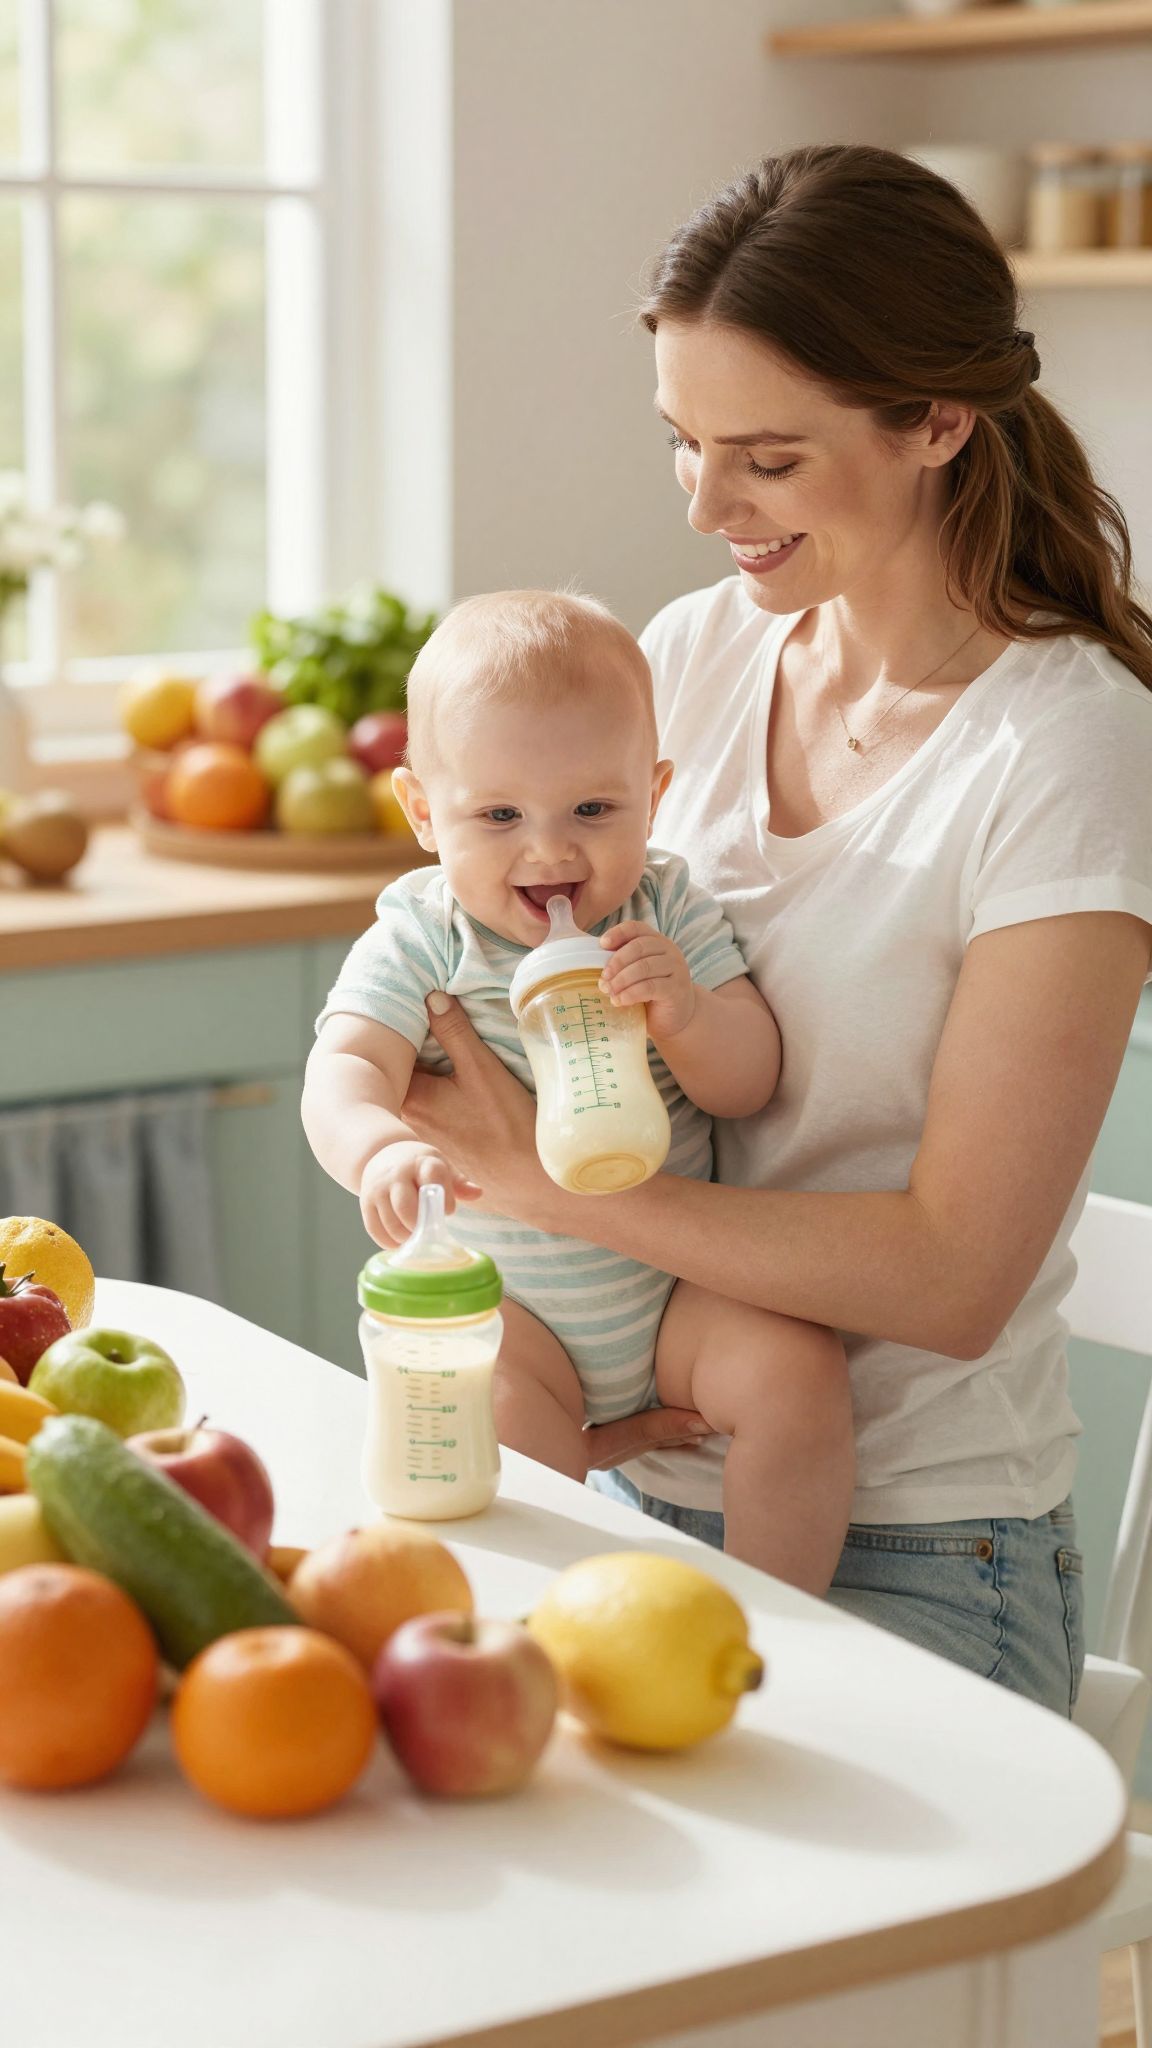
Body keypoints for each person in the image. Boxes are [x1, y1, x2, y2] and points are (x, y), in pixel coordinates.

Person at [392, 144, 1152, 1719]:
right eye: (682, 442)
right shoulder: (695, 656)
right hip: (635, 1477)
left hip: (919, 1548)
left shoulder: (1070, 755)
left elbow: (955, 1272)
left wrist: (548, 1190)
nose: (705, 503)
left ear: (937, 422)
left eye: (767, 458)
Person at [301, 589, 853, 1587]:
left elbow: (746, 1083)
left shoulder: (662, 908)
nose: (550, 851)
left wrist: (686, 1013)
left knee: (796, 1372)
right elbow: (341, 1071)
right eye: (499, 814)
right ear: (424, 813)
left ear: (656, 794)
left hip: (679, 1291)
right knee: (506, 1446)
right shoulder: (424, 939)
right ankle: (559, 1627)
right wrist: (377, 1147)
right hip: (519, 1316)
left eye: (594, 810)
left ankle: (785, 1617)